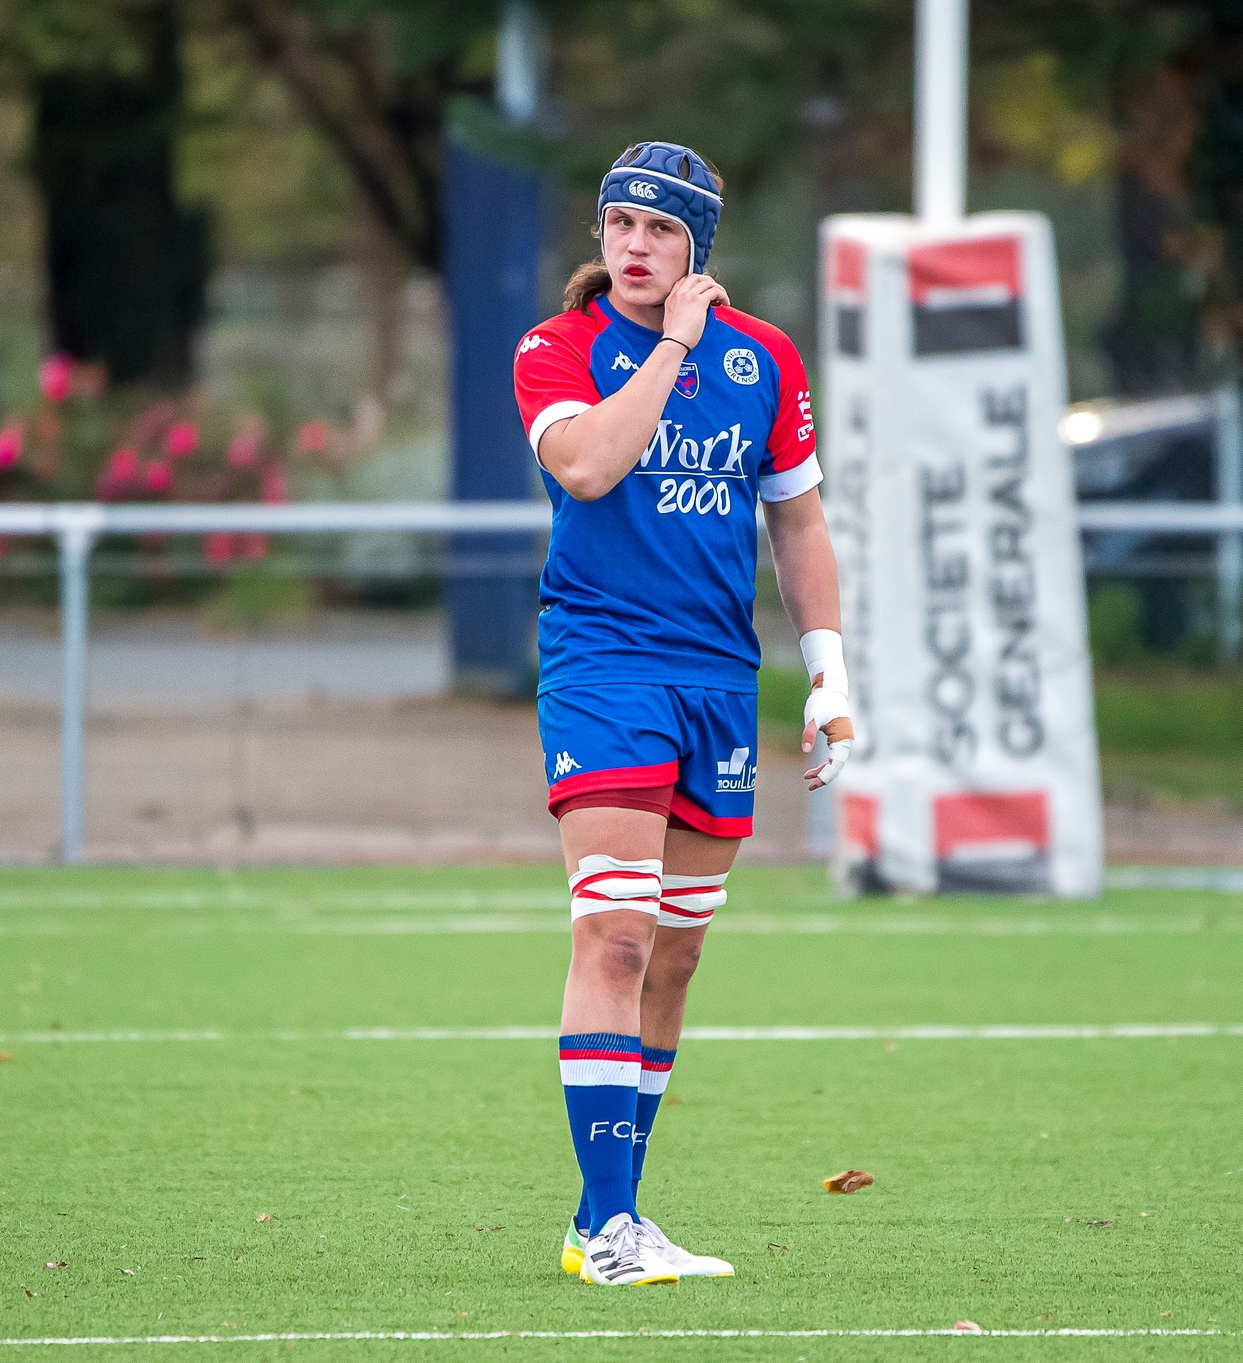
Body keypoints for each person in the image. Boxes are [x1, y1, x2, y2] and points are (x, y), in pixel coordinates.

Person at [512, 141, 853, 1287]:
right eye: (619, 224)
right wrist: (667, 351)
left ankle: (604, 1213)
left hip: (716, 678)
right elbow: (593, 469)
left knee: (676, 955)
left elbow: (797, 526)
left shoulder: (763, 359)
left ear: (697, 244)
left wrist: (828, 673)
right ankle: (609, 1232)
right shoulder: (558, 348)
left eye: (660, 230)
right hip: (602, 666)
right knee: (613, 929)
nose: (635, 246)